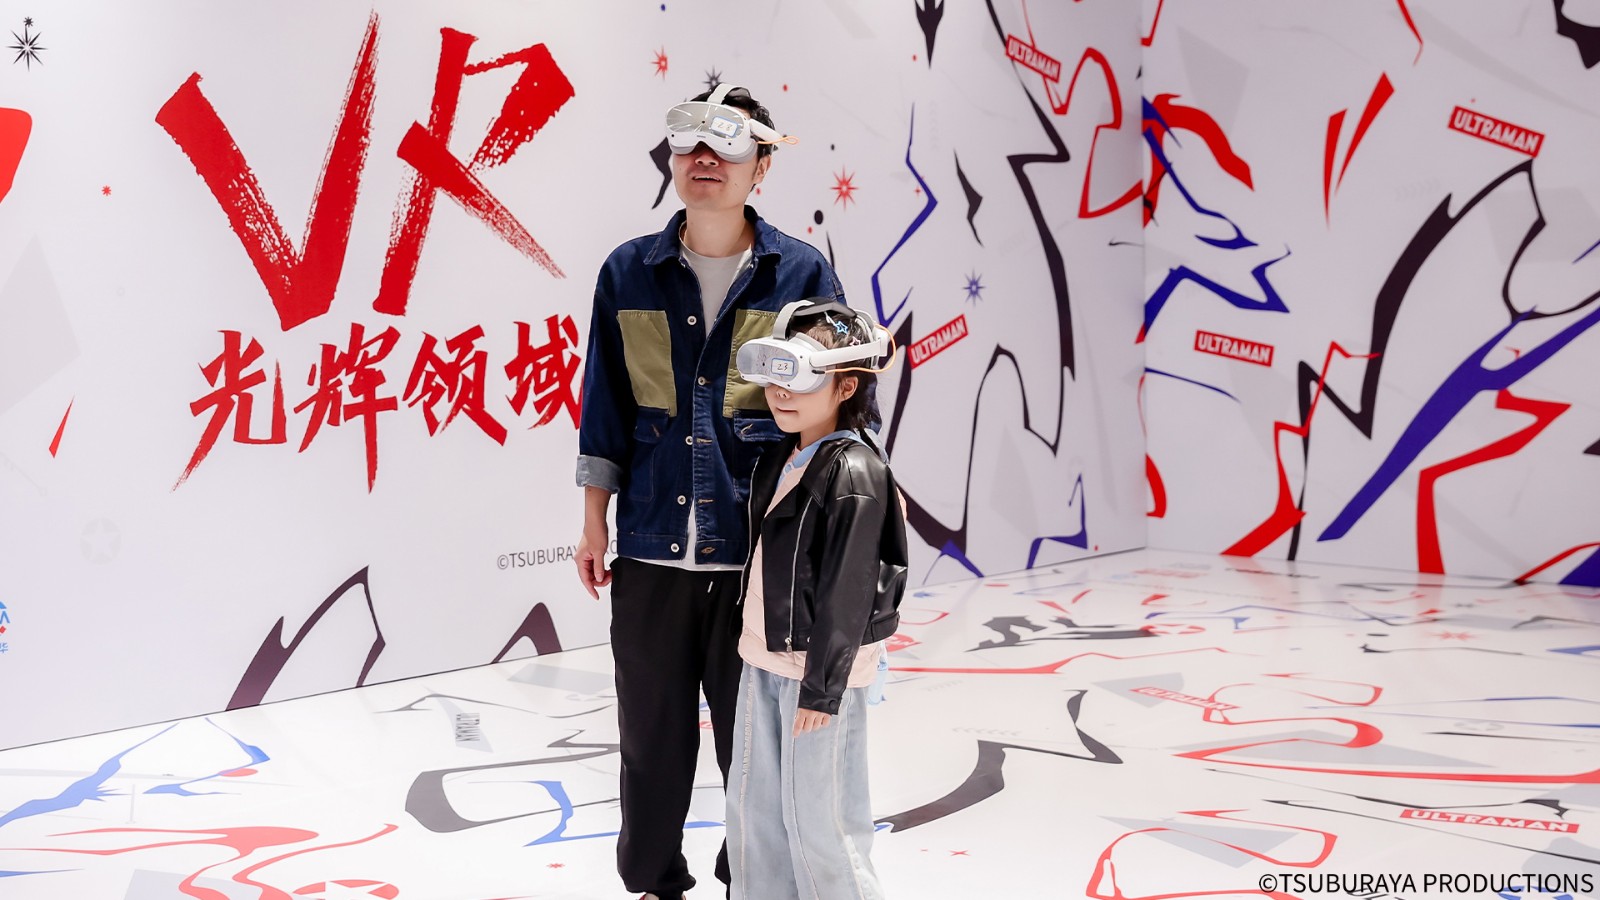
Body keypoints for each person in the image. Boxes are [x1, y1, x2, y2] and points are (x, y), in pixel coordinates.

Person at [574, 84, 848, 900]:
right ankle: (655, 881)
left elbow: (833, 416)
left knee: (753, 746)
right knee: (649, 742)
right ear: (671, 158)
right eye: (690, 143)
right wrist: (593, 523)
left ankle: (750, 880)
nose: (704, 159)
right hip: (651, 553)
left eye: (726, 146)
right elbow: (605, 407)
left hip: (757, 560)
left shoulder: (801, 274)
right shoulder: (628, 272)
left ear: (760, 167)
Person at [726, 299, 908, 900]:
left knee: (823, 827)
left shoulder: (854, 471)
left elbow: (849, 589)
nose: (781, 392)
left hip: (816, 674)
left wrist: (823, 691)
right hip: (764, 659)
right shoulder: (785, 457)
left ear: (846, 385)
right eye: (774, 374)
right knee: (755, 819)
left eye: (800, 376)